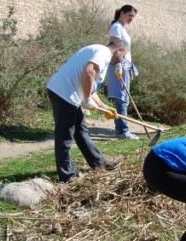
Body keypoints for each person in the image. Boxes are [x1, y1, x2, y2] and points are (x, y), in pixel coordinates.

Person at [46, 40, 127, 182]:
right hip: (64, 93)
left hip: (66, 93)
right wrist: (87, 98)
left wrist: (103, 106)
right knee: (65, 135)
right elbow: (88, 72)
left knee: (80, 130)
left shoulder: (99, 52)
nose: (122, 60)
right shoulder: (103, 53)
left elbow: (91, 85)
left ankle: (99, 163)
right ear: (118, 50)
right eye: (123, 56)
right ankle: (67, 176)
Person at [106, 5, 139, 140]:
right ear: (122, 13)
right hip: (118, 65)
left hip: (124, 65)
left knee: (123, 98)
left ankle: (121, 129)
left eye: (133, 16)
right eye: (130, 15)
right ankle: (123, 131)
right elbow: (114, 47)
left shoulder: (121, 28)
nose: (131, 18)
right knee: (122, 98)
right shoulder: (116, 27)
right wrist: (119, 64)